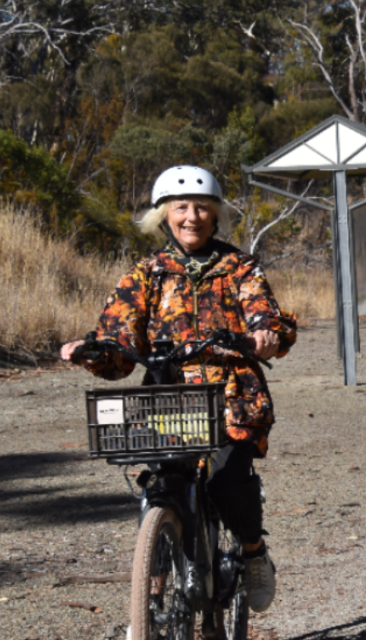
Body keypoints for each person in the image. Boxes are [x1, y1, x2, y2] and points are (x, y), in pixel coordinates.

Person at [60, 166, 297, 609]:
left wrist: (263, 332)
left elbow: (266, 316)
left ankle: (253, 553)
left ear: (216, 214)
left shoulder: (238, 266)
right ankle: (149, 602)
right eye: (182, 207)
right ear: (164, 214)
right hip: (167, 402)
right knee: (160, 487)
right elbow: (119, 338)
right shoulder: (147, 272)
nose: (193, 217)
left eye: (203, 208)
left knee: (229, 483)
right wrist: (93, 351)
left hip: (232, 398)